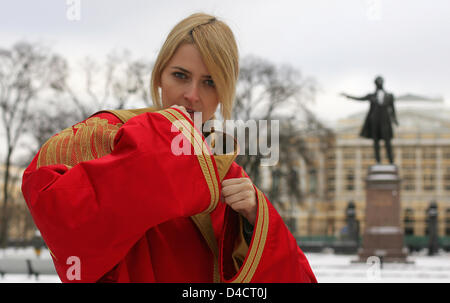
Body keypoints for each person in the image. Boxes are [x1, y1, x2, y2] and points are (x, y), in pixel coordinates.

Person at [21, 13, 316, 283]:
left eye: (210, 82)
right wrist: (155, 149)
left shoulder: (229, 174)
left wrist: (254, 219)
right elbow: (50, 203)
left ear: (225, 91)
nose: (192, 95)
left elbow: (299, 278)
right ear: (159, 76)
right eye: (180, 75)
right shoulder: (109, 135)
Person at [341, 76, 399, 164]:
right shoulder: (371, 96)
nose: (379, 83)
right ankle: (378, 161)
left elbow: (392, 109)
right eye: (377, 82)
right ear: (375, 84)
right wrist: (348, 96)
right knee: (376, 142)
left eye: (380, 82)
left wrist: (394, 120)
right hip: (374, 121)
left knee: (387, 142)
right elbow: (360, 98)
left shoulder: (389, 96)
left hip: (385, 121)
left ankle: (391, 161)